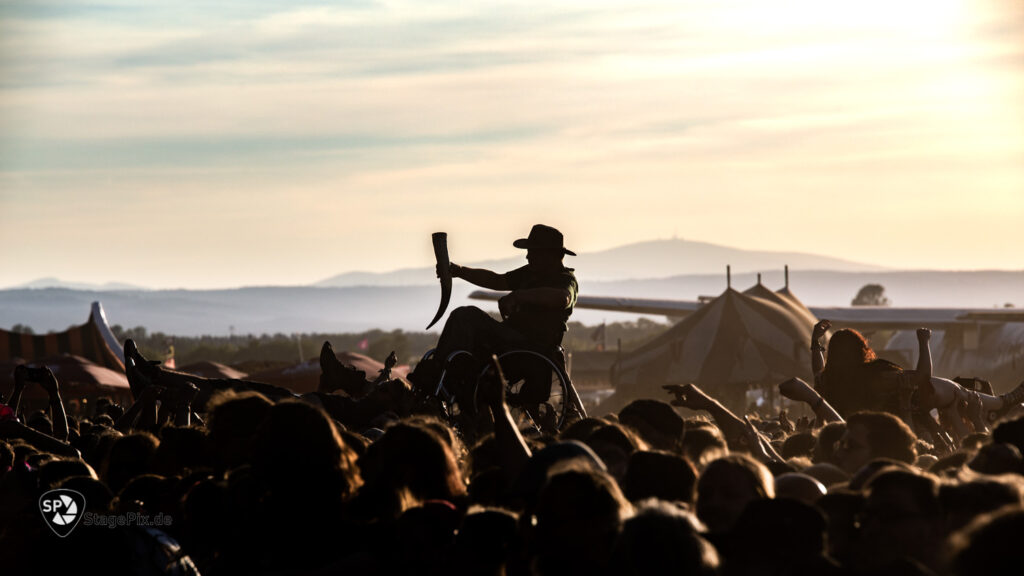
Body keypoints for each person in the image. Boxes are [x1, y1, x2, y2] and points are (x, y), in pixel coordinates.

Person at [411, 224, 579, 388]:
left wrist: (518, 296)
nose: (528, 257)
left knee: (466, 315)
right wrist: (459, 271)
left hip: (526, 345)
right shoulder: (530, 273)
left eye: (532, 252)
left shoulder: (565, 280)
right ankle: (444, 375)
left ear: (550, 255)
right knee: (466, 329)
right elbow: (497, 280)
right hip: (511, 339)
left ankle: (436, 371)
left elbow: (562, 298)